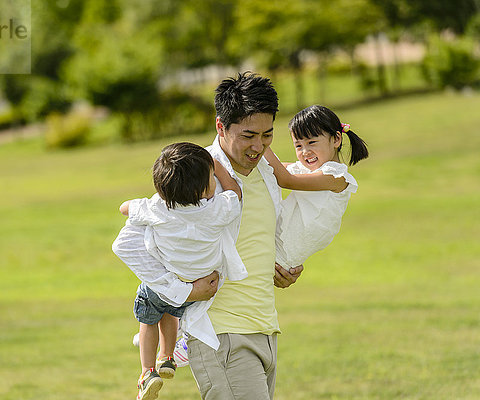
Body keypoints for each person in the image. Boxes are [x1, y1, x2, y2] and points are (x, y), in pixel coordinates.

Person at [113, 72, 304, 400]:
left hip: (264, 325)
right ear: (221, 127)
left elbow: (248, 239)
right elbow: (129, 243)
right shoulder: (193, 175)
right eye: (248, 136)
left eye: (267, 135)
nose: (258, 146)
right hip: (220, 334)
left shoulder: (266, 171)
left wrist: (277, 265)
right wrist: (181, 291)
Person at [118, 142, 248, 400]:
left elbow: (125, 208)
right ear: (205, 189)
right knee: (170, 313)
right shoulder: (215, 211)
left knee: (148, 320)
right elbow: (235, 193)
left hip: (166, 286)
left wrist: (147, 203)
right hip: (195, 285)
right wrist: (218, 166)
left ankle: (147, 372)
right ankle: (167, 357)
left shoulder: (158, 209)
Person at [265, 104, 369, 271]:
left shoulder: (335, 176)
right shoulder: (308, 170)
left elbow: (286, 180)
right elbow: (273, 168)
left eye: (311, 142)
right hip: (276, 245)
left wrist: (260, 142)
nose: (305, 151)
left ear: (336, 139)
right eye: (298, 146)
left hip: (283, 253)